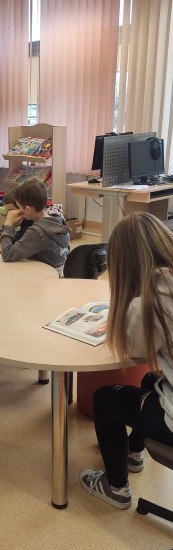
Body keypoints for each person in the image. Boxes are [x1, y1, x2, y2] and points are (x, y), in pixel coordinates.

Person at [80, 212, 173, 510]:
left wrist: (126, 308)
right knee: (149, 379)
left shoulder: (149, 303)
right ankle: (133, 453)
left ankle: (116, 487)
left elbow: (133, 350)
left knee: (105, 399)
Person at [0, 177, 70, 275]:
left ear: (28, 209)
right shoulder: (57, 219)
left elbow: (7, 255)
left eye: (19, 207)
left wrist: (8, 225)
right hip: (58, 272)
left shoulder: (37, 232)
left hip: (44, 277)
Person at [0, 189, 34, 255]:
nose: (9, 215)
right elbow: (9, 240)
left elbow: (8, 253)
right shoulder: (22, 223)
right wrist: (0, 244)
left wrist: (8, 224)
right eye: (7, 211)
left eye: (11, 211)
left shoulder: (30, 226)